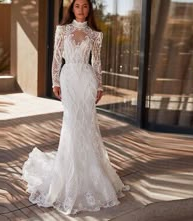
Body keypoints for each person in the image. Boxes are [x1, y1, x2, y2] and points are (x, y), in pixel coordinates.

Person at [21, 0, 129, 215]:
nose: (81, 10)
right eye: (77, 6)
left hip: (87, 80)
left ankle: (91, 173)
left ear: (90, 10)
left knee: (87, 125)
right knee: (71, 124)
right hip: (68, 78)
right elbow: (55, 57)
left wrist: (100, 85)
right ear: (72, 9)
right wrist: (55, 82)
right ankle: (67, 174)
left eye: (85, 6)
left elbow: (97, 61)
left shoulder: (95, 34)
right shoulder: (62, 29)